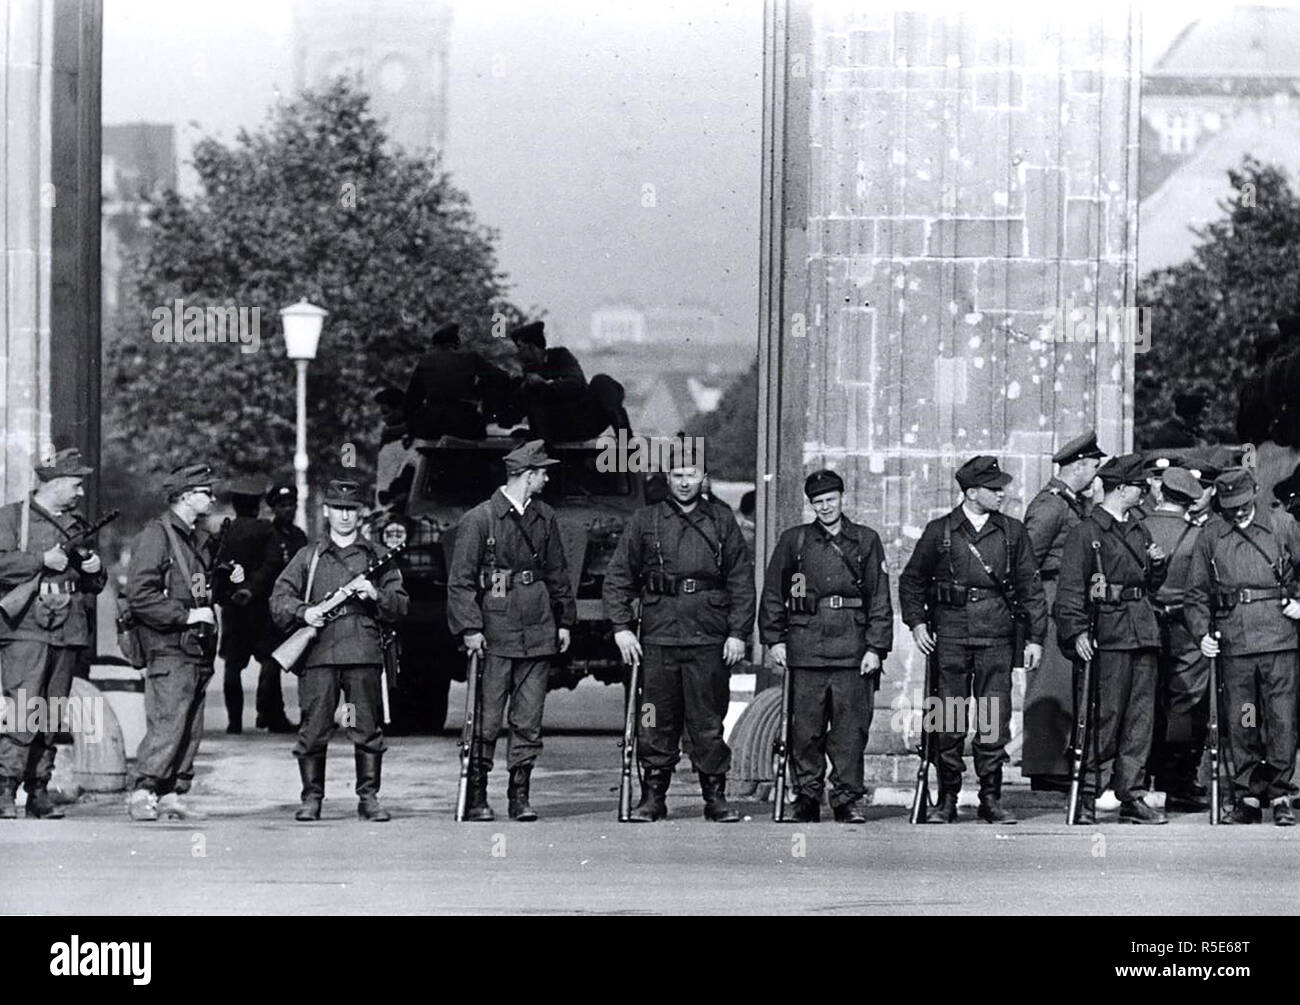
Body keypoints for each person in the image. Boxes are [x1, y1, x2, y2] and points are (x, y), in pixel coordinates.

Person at [602, 456, 755, 823]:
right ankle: (653, 796)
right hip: (657, 638)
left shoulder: (721, 521)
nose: (684, 482)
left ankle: (715, 796)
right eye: (677, 475)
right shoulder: (646, 520)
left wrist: (737, 633)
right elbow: (619, 577)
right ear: (667, 478)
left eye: (691, 474)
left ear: (704, 477)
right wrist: (622, 627)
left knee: (708, 720)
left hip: (708, 636)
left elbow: (741, 581)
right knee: (654, 718)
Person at [898, 456, 1047, 824]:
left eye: (1001, 488)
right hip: (949, 636)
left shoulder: (1012, 532)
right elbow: (912, 581)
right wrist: (917, 624)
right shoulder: (941, 531)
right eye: (994, 489)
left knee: (994, 718)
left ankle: (990, 798)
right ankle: (947, 797)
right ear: (971, 492)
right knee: (947, 718)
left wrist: (1035, 638)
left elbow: (1031, 587)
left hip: (996, 635)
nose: (1001, 494)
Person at [446, 440, 576, 821]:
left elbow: (557, 572)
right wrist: (470, 628)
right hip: (495, 629)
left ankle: (519, 795)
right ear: (527, 475)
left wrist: (564, 620)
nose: (547, 477)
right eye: (543, 472)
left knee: (528, 717)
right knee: (485, 718)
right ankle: (478, 795)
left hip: (537, 627)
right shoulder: (480, 519)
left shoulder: (545, 516)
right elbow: (461, 582)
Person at [270, 479, 408, 822]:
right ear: (327, 511)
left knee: (367, 728)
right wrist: (306, 612)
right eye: (338, 509)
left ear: (361, 514)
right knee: (314, 728)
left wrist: (376, 596)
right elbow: (279, 600)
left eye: (352, 509)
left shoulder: (377, 557)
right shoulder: (309, 557)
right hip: (319, 653)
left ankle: (369, 799)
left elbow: (401, 604)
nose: (345, 516)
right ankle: (312, 799)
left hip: (363, 650)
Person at [758, 470, 892, 823]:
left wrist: (875, 648)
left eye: (831, 500)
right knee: (806, 729)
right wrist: (775, 639)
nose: (825, 507)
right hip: (806, 647)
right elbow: (774, 593)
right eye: (818, 502)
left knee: (850, 731)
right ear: (811, 505)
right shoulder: (795, 541)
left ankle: (846, 798)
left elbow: (879, 599)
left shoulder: (865, 540)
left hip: (852, 647)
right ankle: (806, 796)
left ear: (841, 498)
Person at [1054, 453, 1169, 824]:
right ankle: (1088, 791)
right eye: (1140, 486)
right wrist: (1075, 631)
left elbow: (1148, 585)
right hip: (1107, 632)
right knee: (1102, 717)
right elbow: (1070, 589)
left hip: (1142, 631)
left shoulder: (1139, 527)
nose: (1146, 490)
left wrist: (1156, 566)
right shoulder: (1086, 532)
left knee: (1139, 720)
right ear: (1122, 489)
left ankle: (1131, 794)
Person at [125, 462, 242, 821]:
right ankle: (143, 791)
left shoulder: (197, 538)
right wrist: (186, 616)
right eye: (206, 492)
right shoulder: (157, 536)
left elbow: (202, 591)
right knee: (169, 721)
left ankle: (172, 792)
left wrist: (228, 581)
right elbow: (140, 595)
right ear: (187, 497)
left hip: (196, 646)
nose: (212, 497)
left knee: (189, 725)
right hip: (169, 645)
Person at [1184, 467, 1300, 826]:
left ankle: (1281, 793)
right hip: (1235, 644)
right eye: (1229, 505)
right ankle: (1248, 791)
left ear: (1255, 493)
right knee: (1243, 718)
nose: (1237, 512)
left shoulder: (1283, 525)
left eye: (1242, 504)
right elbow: (1196, 593)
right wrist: (1202, 632)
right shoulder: (1212, 535)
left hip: (1280, 639)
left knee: (1281, 719)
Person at [0, 449, 107, 819]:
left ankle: (38, 789)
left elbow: (95, 583)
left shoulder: (76, 526)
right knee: (24, 708)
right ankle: (5, 787)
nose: (79, 492)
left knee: (53, 711)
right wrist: (40, 561)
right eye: (75, 484)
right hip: (26, 627)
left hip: (68, 627)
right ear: (56, 482)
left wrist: (94, 569)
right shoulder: (12, 518)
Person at [1022, 430, 1104, 785]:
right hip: (1051, 597)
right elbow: (1028, 563)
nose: (1096, 474)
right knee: (1050, 682)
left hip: (1067, 596)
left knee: (1067, 682)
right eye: (1094, 467)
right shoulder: (1051, 505)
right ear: (1080, 465)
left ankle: (1059, 760)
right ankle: (1044, 765)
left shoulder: (1070, 502)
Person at [1143, 467, 1210, 811]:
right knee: (1185, 704)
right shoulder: (1197, 536)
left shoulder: (1138, 529)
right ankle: (1177, 780)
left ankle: (1140, 778)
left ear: (1161, 493)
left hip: (1144, 625)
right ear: (1189, 500)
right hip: (1186, 628)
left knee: (1144, 702)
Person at [214, 475, 295, 734]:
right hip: (260, 606)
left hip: (232, 608)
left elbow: (216, 566)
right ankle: (264, 711)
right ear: (257, 506)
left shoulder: (225, 531)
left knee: (232, 665)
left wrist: (229, 592)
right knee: (270, 658)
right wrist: (251, 589)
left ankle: (234, 722)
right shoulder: (266, 530)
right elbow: (272, 564)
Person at [507, 321, 631, 442]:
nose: (518, 352)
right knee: (533, 390)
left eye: (520, 347)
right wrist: (521, 386)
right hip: (558, 429)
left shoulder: (560, 356)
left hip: (584, 419)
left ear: (531, 346)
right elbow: (514, 414)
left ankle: (626, 440)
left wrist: (545, 384)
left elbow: (577, 383)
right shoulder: (527, 371)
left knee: (602, 381)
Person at [403, 321, 498, 440]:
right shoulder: (470, 357)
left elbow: (411, 400)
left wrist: (411, 430)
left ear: (434, 345)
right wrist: (479, 392)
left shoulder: (425, 361)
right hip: (465, 420)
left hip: (431, 424)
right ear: (456, 344)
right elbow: (499, 377)